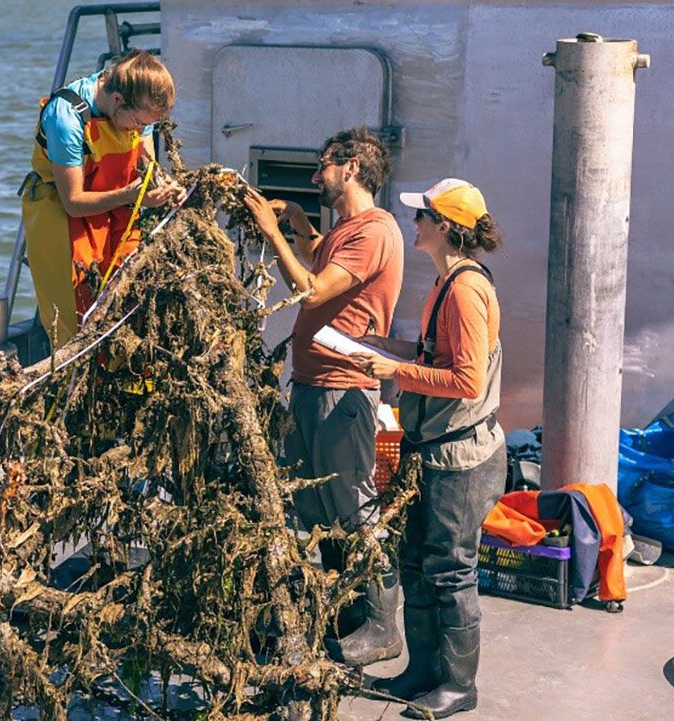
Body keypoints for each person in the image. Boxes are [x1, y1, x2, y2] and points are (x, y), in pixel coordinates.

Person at [243, 127, 404, 665]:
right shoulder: (346, 229)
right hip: (314, 387)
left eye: (323, 167)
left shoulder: (374, 231)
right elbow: (322, 263)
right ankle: (346, 611)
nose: (315, 177)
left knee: (353, 506)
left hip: (343, 390)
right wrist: (299, 224)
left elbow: (312, 289)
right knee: (314, 504)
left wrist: (271, 231)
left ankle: (383, 627)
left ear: (352, 167)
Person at [351, 178, 506, 719]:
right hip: (433, 451)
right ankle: (422, 672)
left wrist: (396, 371)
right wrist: (379, 345)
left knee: (450, 571)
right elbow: (434, 355)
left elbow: (464, 380)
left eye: (421, 216)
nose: (413, 223)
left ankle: (459, 686)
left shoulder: (463, 289)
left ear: (445, 227)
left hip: (460, 459)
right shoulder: (447, 282)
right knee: (416, 564)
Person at [20, 48, 182, 350]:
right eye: (137, 122)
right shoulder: (66, 118)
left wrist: (164, 184)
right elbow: (73, 200)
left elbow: (145, 161)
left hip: (115, 211)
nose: (139, 129)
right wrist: (133, 195)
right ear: (117, 100)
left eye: (147, 125)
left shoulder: (134, 107)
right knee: (77, 323)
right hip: (62, 217)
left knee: (126, 308)